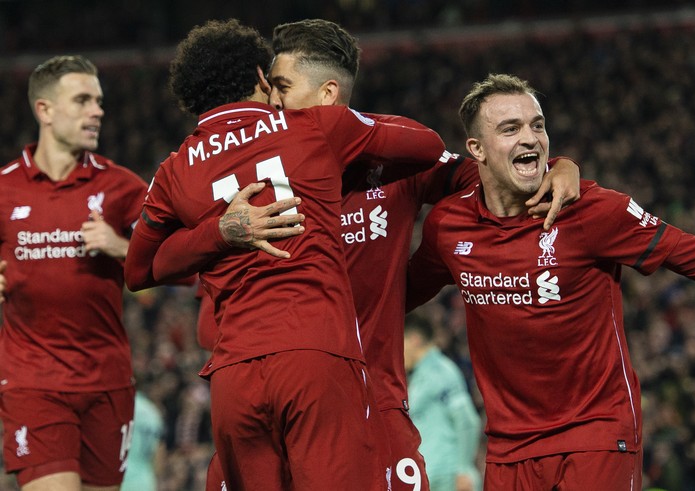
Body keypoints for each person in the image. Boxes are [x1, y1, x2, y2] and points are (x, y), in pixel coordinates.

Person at [140, 18, 582, 491]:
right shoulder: (254, 189)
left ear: (328, 95)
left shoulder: (389, 165)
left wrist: (560, 168)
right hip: (275, 394)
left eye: (283, 87)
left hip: (375, 405)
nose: (271, 101)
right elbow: (198, 304)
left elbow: (485, 175)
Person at [404, 73, 695, 490]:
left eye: (538, 124)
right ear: (477, 150)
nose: (531, 138)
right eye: (511, 129)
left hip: (596, 433)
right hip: (509, 448)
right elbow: (398, 293)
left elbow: (692, 253)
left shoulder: (590, 211)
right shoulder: (450, 227)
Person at [123, 19, 448, 490]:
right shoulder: (311, 125)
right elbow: (428, 144)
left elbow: (138, 270)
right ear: (259, 77)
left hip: (234, 373)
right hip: (315, 356)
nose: (276, 95)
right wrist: (355, 124)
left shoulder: (173, 169)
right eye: (273, 84)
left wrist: (220, 232)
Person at [0, 55, 147, 491]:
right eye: (82, 100)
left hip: (108, 381)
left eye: (98, 101)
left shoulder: (122, 188)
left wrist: (121, 246)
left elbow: (177, 266)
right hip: (33, 381)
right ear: (44, 110)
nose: (97, 111)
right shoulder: (5, 189)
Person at [404, 314, 482, 491]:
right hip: (433, 474)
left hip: (448, 476)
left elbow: (467, 420)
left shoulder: (440, 372)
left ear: (414, 340)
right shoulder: (421, 376)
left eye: (401, 344)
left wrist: (463, 469)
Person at [120, 390, 165, 491]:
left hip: (124, 479)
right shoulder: (154, 412)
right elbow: (159, 454)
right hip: (147, 481)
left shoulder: (124, 406)